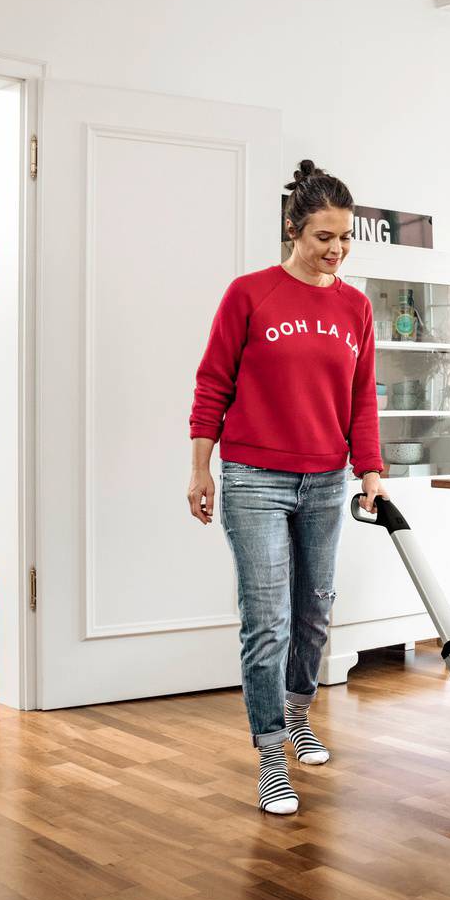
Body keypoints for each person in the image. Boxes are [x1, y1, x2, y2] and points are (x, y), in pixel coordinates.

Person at [188, 161, 384, 814]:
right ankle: (272, 754)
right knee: (266, 621)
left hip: (327, 479)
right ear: (294, 230)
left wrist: (370, 470)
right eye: (325, 236)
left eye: (346, 237)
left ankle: (300, 715)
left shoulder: (355, 308)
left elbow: (362, 401)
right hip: (253, 478)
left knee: (316, 610)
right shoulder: (250, 294)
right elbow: (212, 384)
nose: (336, 249)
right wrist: (200, 467)